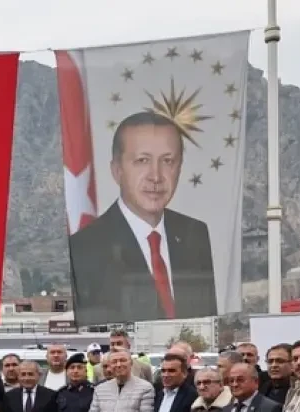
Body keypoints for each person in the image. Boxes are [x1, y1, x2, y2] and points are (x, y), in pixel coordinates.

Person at [68, 112, 216, 323]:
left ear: (179, 169)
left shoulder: (195, 234)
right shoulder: (85, 246)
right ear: (117, 170)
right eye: (142, 160)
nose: (155, 176)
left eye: (167, 161)